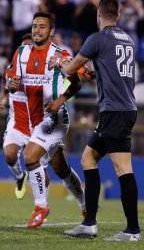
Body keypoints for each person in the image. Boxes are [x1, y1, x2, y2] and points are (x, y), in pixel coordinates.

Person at [49, 0, 141, 242]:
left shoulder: (98, 38)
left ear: (98, 13)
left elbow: (69, 70)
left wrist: (60, 62)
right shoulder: (128, 39)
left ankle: (132, 230)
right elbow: (101, 67)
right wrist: (88, 70)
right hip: (122, 108)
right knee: (88, 159)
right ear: (118, 15)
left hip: (115, 111)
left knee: (123, 168)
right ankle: (89, 223)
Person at [7, 13, 87, 229]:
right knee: (61, 169)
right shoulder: (21, 52)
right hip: (35, 121)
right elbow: (13, 80)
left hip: (55, 118)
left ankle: (41, 207)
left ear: (51, 31)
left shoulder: (59, 55)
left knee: (29, 156)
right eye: (34, 26)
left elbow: (77, 82)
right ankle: (85, 203)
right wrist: (12, 85)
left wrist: (61, 99)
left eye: (42, 27)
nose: (37, 31)